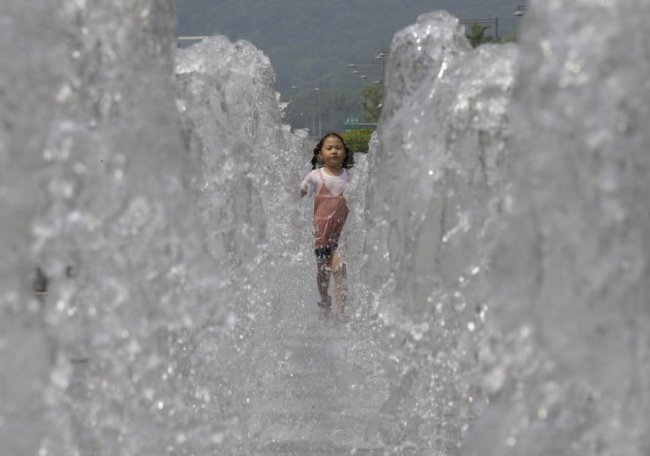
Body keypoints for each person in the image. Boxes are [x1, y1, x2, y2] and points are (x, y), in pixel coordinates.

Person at [300, 133, 354, 319]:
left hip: (342, 233)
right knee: (323, 271)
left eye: (338, 147)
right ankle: (324, 300)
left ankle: (341, 311)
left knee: (339, 269)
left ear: (345, 152)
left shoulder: (350, 177)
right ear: (321, 153)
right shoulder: (315, 176)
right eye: (329, 148)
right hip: (321, 234)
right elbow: (298, 194)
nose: (334, 151)